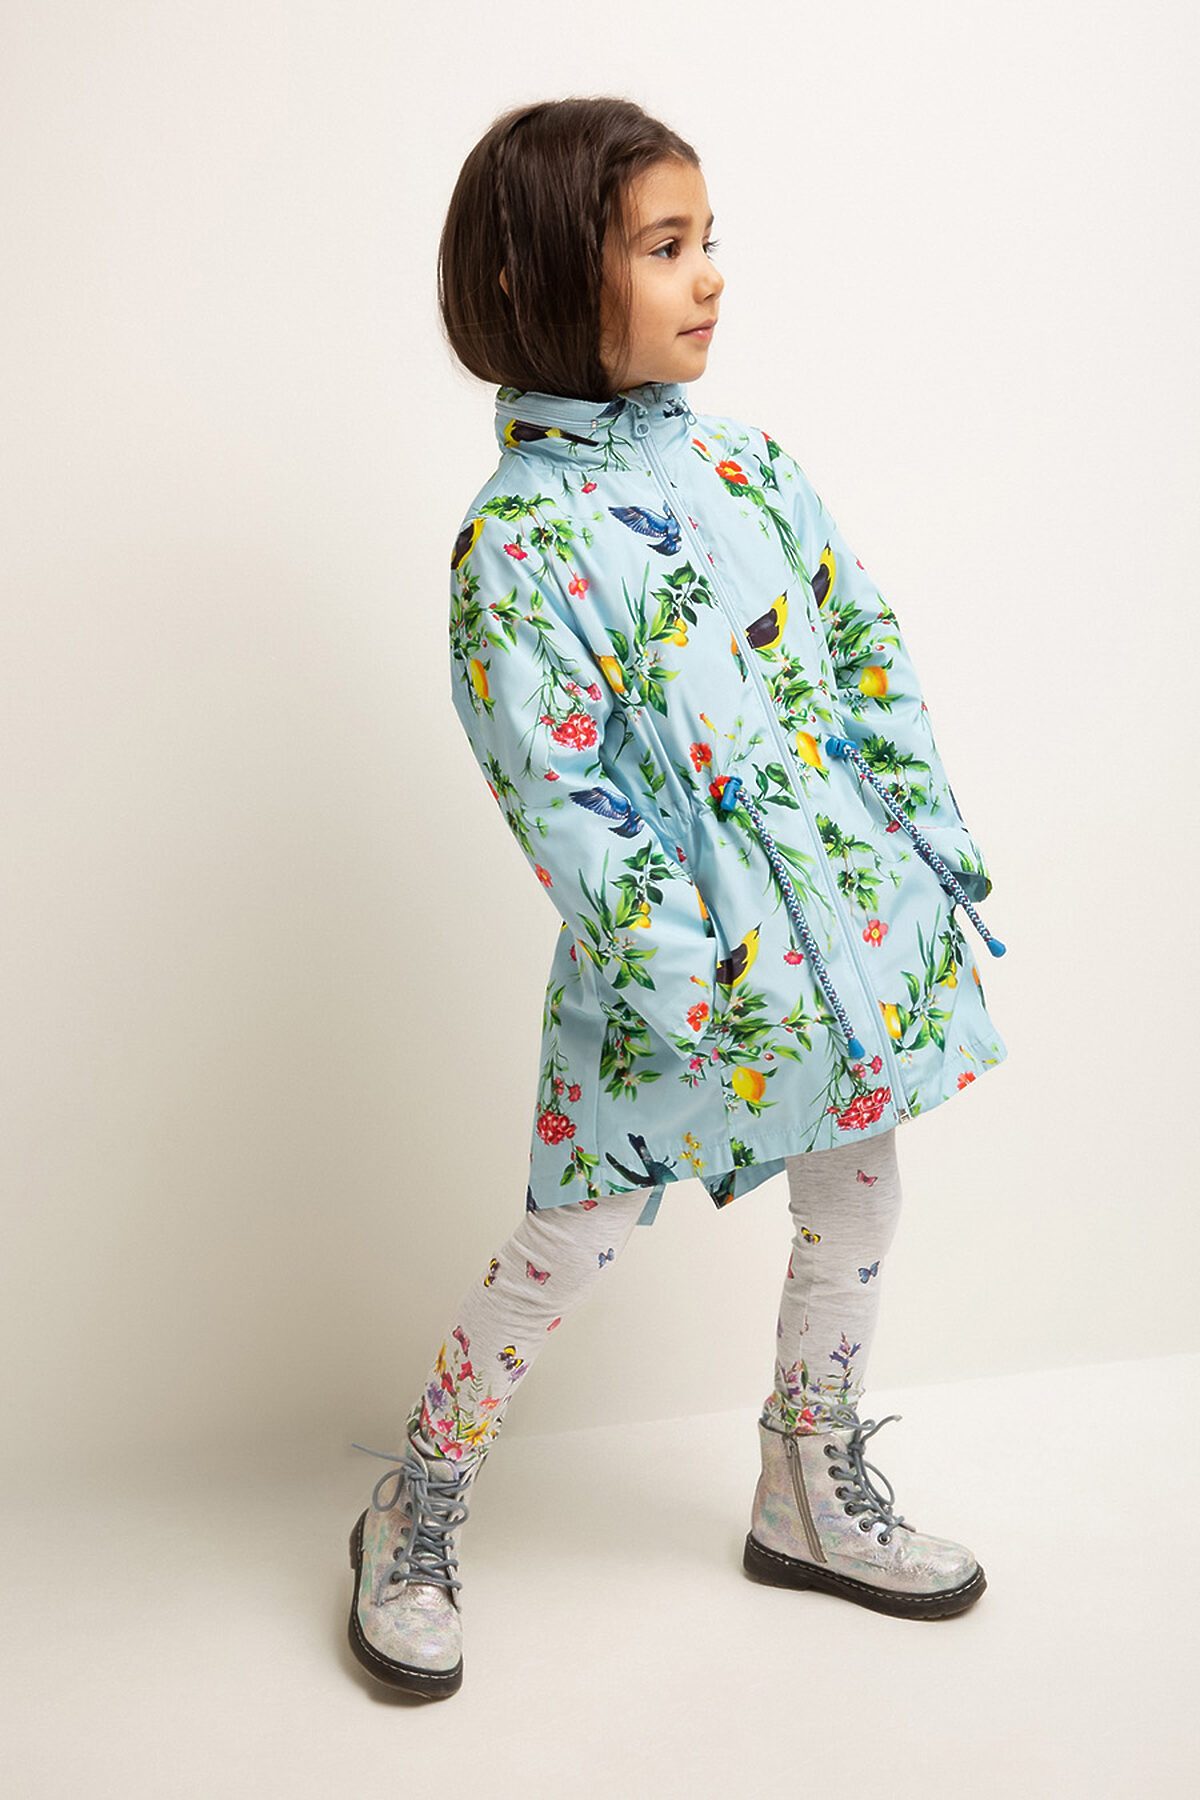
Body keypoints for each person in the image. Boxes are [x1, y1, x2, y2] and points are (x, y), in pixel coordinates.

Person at [346, 96, 1009, 1698]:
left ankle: (806, 1482)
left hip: (844, 939)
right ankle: (415, 1498)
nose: (709, 275)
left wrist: (924, 841)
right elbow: (565, 796)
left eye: (708, 241)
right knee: (567, 1243)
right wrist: (687, 981)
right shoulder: (515, 546)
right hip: (683, 983)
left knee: (859, 1195)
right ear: (537, 279)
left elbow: (863, 648)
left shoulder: (749, 467)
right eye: (663, 247)